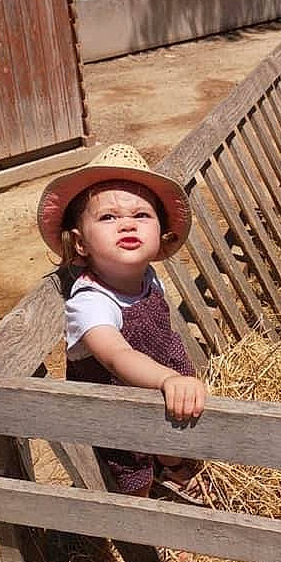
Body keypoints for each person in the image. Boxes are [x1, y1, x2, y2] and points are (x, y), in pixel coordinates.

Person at [37, 144, 206, 499]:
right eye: (108, 217)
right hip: (117, 414)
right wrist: (168, 378)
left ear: (160, 233)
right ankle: (143, 524)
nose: (127, 223)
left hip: (154, 391)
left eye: (142, 215)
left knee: (168, 425)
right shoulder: (92, 301)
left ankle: (173, 467)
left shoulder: (149, 277)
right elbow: (117, 356)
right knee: (133, 468)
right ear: (81, 243)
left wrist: (167, 378)